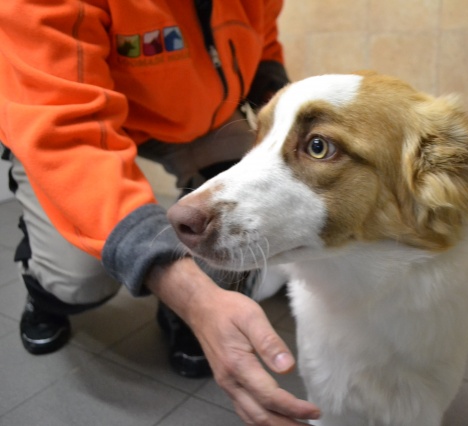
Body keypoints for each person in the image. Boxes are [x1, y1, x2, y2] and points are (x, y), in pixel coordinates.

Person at [0, 1, 320, 424]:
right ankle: (44, 292)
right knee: (79, 278)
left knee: (243, 220)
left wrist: (277, 97)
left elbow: (262, 42)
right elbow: (68, 137)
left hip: (194, 119)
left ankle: (180, 317)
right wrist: (193, 296)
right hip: (69, 126)